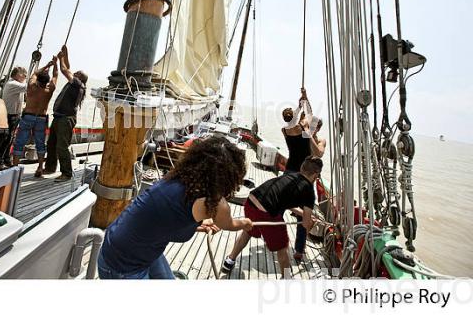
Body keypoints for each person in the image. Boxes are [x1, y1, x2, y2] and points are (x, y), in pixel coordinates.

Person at [97, 137, 253, 279]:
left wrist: (197, 225)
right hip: (121, 267)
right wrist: (246, 224)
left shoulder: (179, 178)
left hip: (119, 246)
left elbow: (163, 220)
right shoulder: (216, 204)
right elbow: (229, 224)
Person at [222, 156, 323, 278]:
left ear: (302, 168)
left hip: (250, 202)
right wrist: (311, 223)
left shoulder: (290, 176)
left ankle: (230, 260)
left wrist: (302, 214)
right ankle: (286, 278)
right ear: (316, 174)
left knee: (247, 232)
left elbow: (284, 202)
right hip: (266, 212)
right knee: (282, 247)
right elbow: (306, 224)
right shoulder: (309, 191)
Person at [281, 89, 326, 260]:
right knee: (281, 204)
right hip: (292, 172)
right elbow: (306, 117)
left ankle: (299, 249)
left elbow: (319, 153)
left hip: (307, 179)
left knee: (304, 214)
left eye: (315, 126)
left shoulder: (317, 140)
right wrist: (303, 104)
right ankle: (274, 235)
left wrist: (309, 135)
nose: (313, 127)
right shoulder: (294, 132)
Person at [44, 45, 87, 181]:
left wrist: (60, 59)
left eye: (77, 73)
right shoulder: (75, 83)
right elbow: (67, 68)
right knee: (51, 144)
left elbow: (64, 70)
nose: (74, 73)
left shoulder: (77, 84)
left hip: (66, 119)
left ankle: (66, 173)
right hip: (59, 117)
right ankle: (50, 167)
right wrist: (65, 54)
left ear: (80, 78)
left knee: (62, 146)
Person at [12, 56, 58, 177]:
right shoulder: (49, 89)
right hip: (41, 119)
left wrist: (47, 65)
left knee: (20, 142)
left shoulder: (31, 87)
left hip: (28, 117)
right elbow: (56, 76)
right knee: (40, 143)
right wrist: (55, 64)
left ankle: (15, 168)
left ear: (38, 80)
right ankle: (40, 167)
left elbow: (34, 73)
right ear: (46, 82)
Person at [0, 66, 27, 166]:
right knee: (5, 139)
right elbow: (29, 87)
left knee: (9, 139)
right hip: (9, 115)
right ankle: (0, 161)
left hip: (14, 115)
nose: (24, 76)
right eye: (22, 73)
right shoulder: (12, 84)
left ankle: (5, 159)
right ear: (16, 75)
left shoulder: (18, 84)